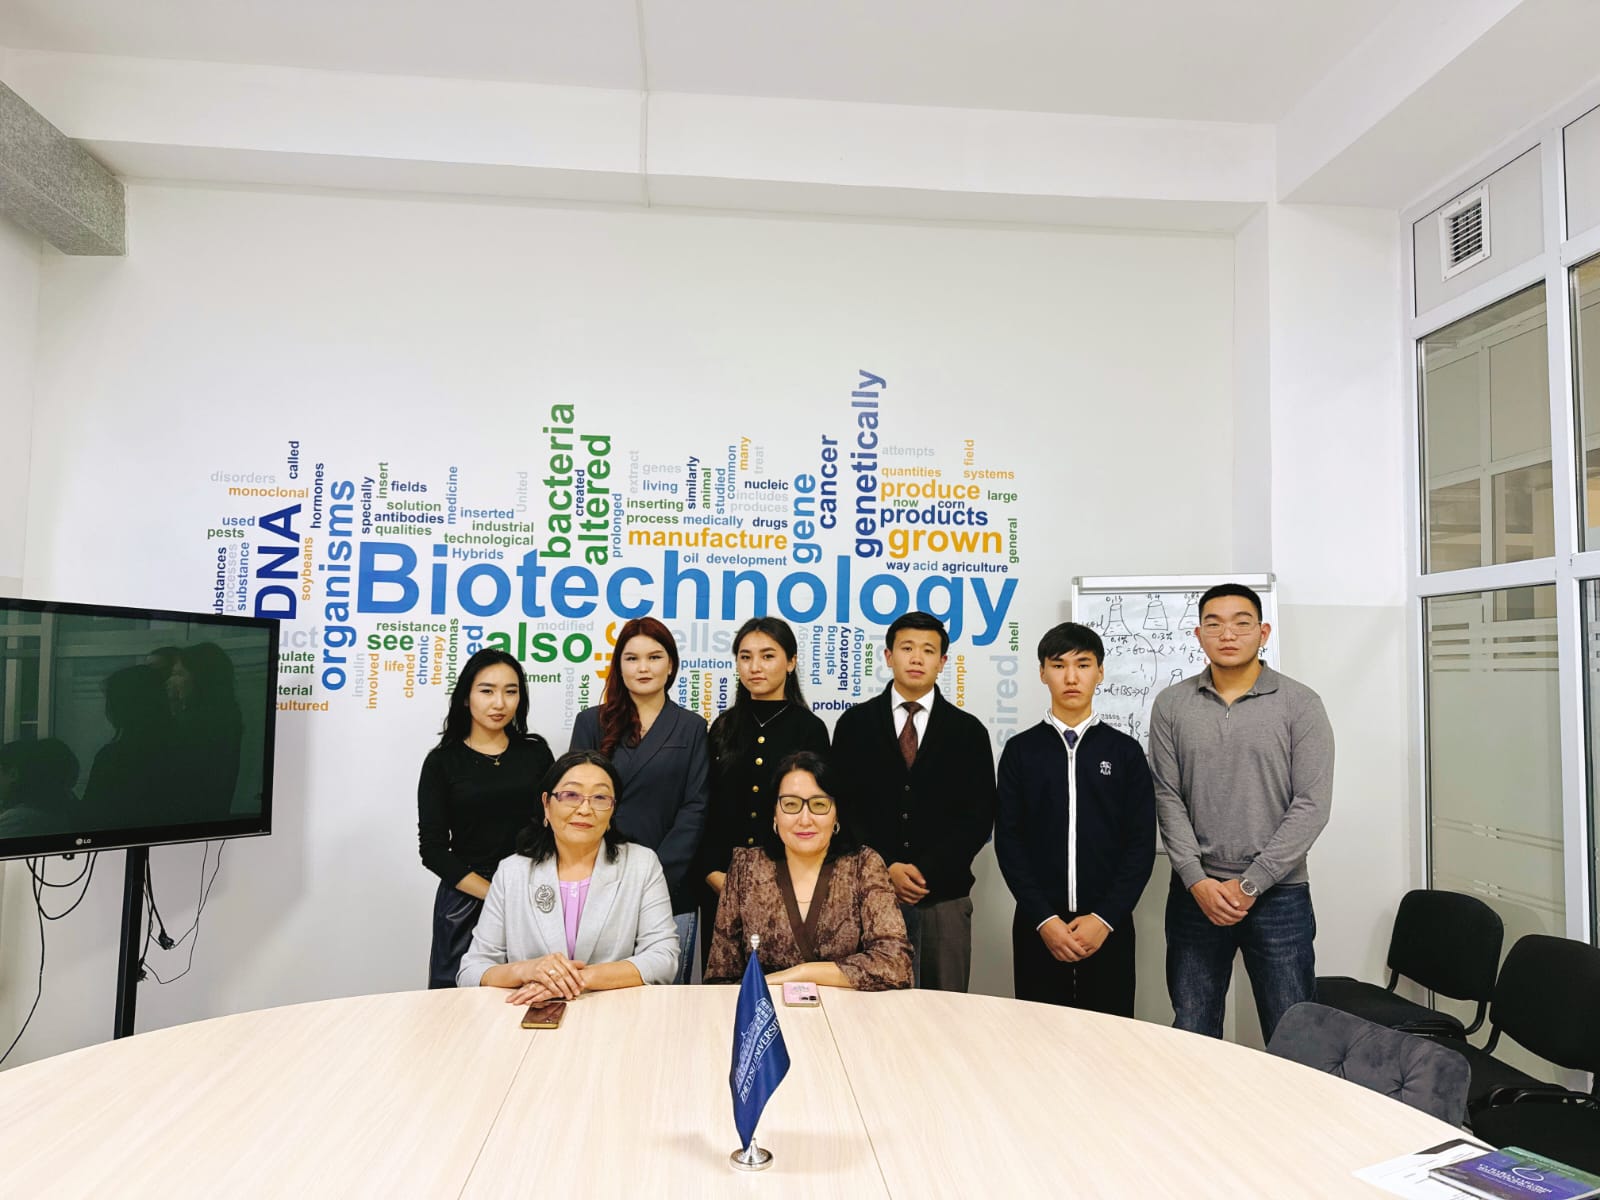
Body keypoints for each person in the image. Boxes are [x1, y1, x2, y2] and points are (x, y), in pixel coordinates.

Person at [1150, 582, 1335, 1041]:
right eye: (1214, 624)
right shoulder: (1172, 704)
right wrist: (1196, 879)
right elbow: (1167, 796)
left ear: (1263, 632)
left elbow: (1311, 804)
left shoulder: (1300, 703)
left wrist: (1252, 882)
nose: (1227, 634)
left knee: (1292, 1033)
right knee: (1192, 1029)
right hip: (1197, 894)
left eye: (1241, 623)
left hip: (1279, 896)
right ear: (1198, 635)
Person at [995, 622, 1155, 1016]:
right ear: (1042, 673)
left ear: (1099, 672)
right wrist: (1044, 919)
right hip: (1038, 925)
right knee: (1038, 1035)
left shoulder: (1125, 752)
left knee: (1109, 1036)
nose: (1071, 677)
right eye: (1058, 665)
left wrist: (1105, 918)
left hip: (1108, 926)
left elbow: (1139, 844)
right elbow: (1009, 842)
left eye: (1082, 665)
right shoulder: (1021, 751)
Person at [830, 611, 995, 991]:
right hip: (867, 897)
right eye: (907, 648)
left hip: (944, 899)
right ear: (888, 656)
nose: (917, 658)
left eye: (928, 650)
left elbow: (978, 818)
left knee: (944, 1010)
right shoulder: (854, 725)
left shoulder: (968, 732)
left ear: (943, 661)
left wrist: (926, 871)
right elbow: (844, 810)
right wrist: (886, 867)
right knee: (870, 1010)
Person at [458, 750, 679, 996]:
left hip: (614, 1009)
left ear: (612, 810)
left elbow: (664, 958)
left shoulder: (641, 864)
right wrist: (527, 970)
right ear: (546, 804)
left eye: (600, 797)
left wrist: (574, 980)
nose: (585, 809)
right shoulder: (512, 872)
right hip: (532, 1011)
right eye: (571, 795)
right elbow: (472, 970)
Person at [570, 617, 709, 983]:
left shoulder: (692, 726)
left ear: (671, 665)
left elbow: (695, 807)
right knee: (594, 993)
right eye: (632, 658)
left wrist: (653, 876)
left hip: (671, 884)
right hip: (598, 882)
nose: (643, 667)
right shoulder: (591, 722)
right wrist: (610, 874)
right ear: (619, 666)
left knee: (663, 1001)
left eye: (654, 657)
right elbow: (576, 804)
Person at [705, 751, 911, 990]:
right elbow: (720, 977)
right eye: (791, 805)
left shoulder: (863, 865)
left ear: (837, 814)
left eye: (819, 805)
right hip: (764, 1011)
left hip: (846, 1011)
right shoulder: (746, 868)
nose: (804, 819)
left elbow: (896, 964)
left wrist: (799, 974)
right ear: (774, 813)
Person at [418, 648, 555, 989]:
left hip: (533, 893)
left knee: (538, 998)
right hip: (468, 899)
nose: (500, 703)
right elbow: (433, 850)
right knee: (459, 1006)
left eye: (511, 691)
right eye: (487, 691)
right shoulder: (442, 763)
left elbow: (556, 823)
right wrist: (496, 894)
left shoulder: (536, 752)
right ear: (466, 697)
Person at [698, 616, 830, 969]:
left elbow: (817, 813)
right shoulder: (723, 726)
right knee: (724, 987)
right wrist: (713, 872)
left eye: (768, 656)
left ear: (791, 662)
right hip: (721, 881)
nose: (754, 666)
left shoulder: (810, 729)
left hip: (789, 887)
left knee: (786, 985)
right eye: (745, 657)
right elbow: (707, 805)